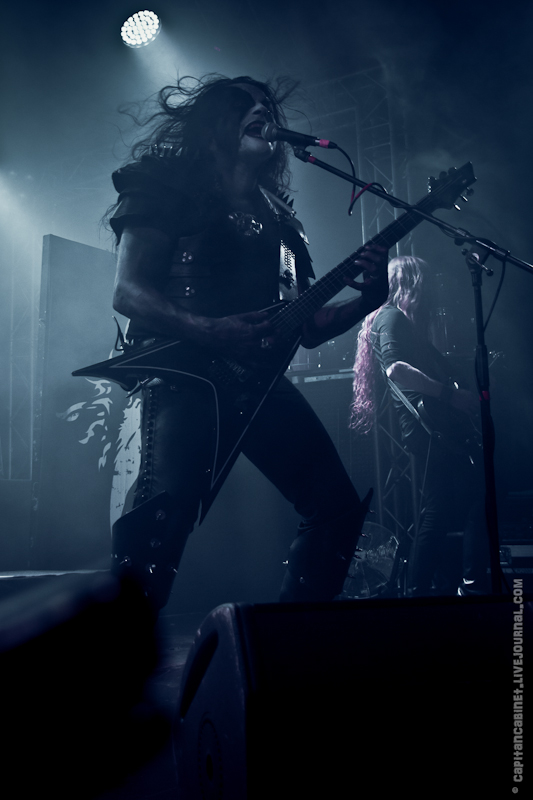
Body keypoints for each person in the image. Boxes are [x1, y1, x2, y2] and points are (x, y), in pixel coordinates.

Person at [107, 74, 389, 609]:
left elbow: (306, 325)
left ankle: (289, 644)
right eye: (246, 104)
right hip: (180, 374)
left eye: (267, 107)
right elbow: (128, 292)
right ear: (213, 121)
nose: (263, 111)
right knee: (153, 537)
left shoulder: (282, 221)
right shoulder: (165, 183)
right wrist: (209, 330)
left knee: (336, 510)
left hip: (256, 384)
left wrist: (368, 300)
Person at [351, 256, 489, 597]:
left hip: (428, 426)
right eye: (424, 285)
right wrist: (450, 395)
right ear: (410, 284)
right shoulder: (391, 316)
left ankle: (425, 590)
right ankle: (461, 585)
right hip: (427, 427)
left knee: (440, 509)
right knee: (464, 500)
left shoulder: (396, 320)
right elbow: (395, 369)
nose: (429, 295)